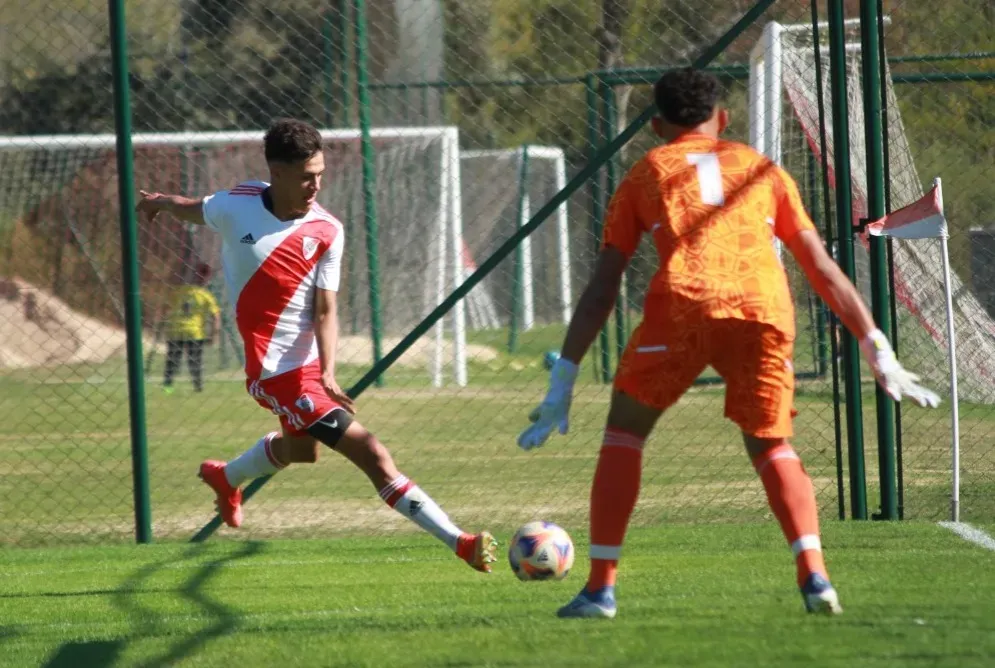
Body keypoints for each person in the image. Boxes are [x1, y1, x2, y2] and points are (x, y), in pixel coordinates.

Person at [518, 68, 940, 619]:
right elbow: (821, 268)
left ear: (654, 125)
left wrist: (564, 378)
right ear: (723, 119)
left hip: (684, 307)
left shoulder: (646, 172)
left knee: (624, 434)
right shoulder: (764, 170)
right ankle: (815, 578)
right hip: (761, 309)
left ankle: (601, 591)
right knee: (771, 446)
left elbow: (603, 287)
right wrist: (876, 346)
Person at [137, 118, 496, 573]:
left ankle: (225, 477)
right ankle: (461, 542)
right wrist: (163, 205)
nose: (316, 185)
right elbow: (196, 208)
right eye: (307, 176)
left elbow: (326, 311)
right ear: (278, 172)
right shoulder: (238, 204)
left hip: (308, 369)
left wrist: (327, 370)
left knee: (303, 451)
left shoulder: (327, 230)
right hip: (274, 371)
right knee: (374, 454)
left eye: (321, 174)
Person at [161, 263, 220, 394]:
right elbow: (216, 316)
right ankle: (198, 387)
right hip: (194, 332)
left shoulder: (179, 291)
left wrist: (166, 324)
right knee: (195, 362)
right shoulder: (205, 296)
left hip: (176, 331)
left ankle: (167, 386)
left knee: (172, 360)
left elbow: (165, 308)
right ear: (207, 279)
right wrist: (214, 335)